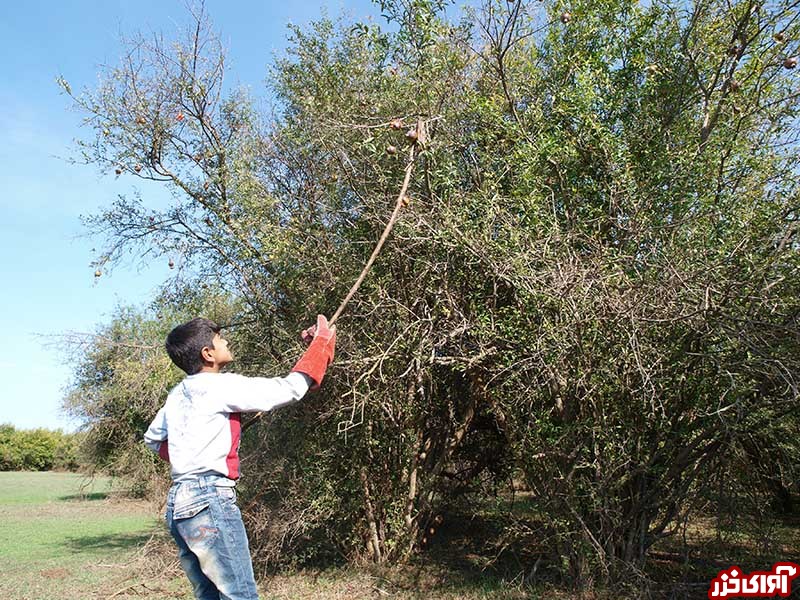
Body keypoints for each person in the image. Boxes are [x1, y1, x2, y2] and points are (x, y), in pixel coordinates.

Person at [144, 315, 336, 600]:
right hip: (209, 499)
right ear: (207, 354)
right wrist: (321, 346)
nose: (226, 341)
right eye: (220, 339)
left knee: (208, 596)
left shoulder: (178, 394)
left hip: (178, 505)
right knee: (239, 595)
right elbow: (290, 389)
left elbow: (153, 438)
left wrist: (194, 451)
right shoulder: (221, 386)